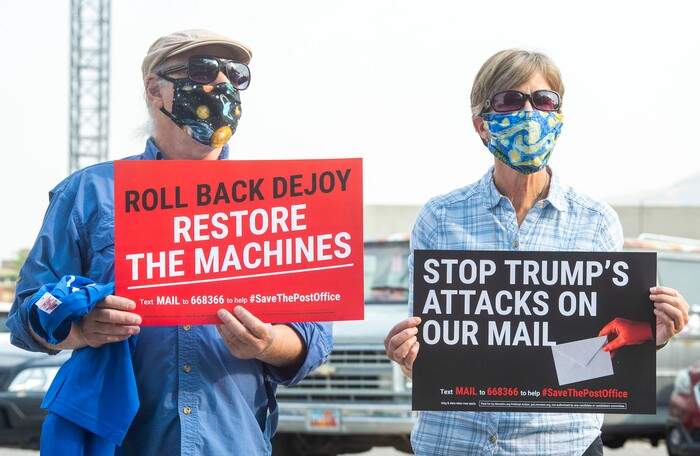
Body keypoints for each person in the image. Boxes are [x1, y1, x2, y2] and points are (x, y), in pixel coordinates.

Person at [8, 29, 332, 455]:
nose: (220, 85)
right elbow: (26, 317)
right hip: (121, 442)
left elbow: (314, 337)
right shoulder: (89, 192)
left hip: (232, 442)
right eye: (202, 70)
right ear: (154, 88)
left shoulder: (274, 201)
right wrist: (79, 329)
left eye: (234, 75)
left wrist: (269, 343)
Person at [383, 49, 690, 456]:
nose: (529, 113)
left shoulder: (596, 223)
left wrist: (648, 338)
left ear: (558, 119)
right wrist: (409, 358)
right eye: (510, 100)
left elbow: (592, 357)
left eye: (544, 101)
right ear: (482, 125)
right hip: (454, 443)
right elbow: (430, 350)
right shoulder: (440, 218)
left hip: (561, 445)